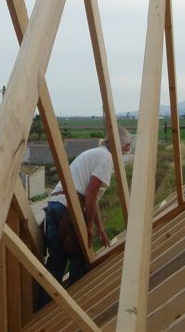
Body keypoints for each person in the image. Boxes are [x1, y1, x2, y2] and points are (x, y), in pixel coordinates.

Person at [39, 125, 133, 307]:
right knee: (80, 259)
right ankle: (72, 309)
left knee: (56, 262)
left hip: (55, 204)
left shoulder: (98, 154)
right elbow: (90, 194)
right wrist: (89, 227)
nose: (128, 149)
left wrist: (99, 228)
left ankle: (44, 309)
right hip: (67, 209)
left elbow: (92, 198)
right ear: (116, 143)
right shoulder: (107, 158)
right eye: (127, 144)